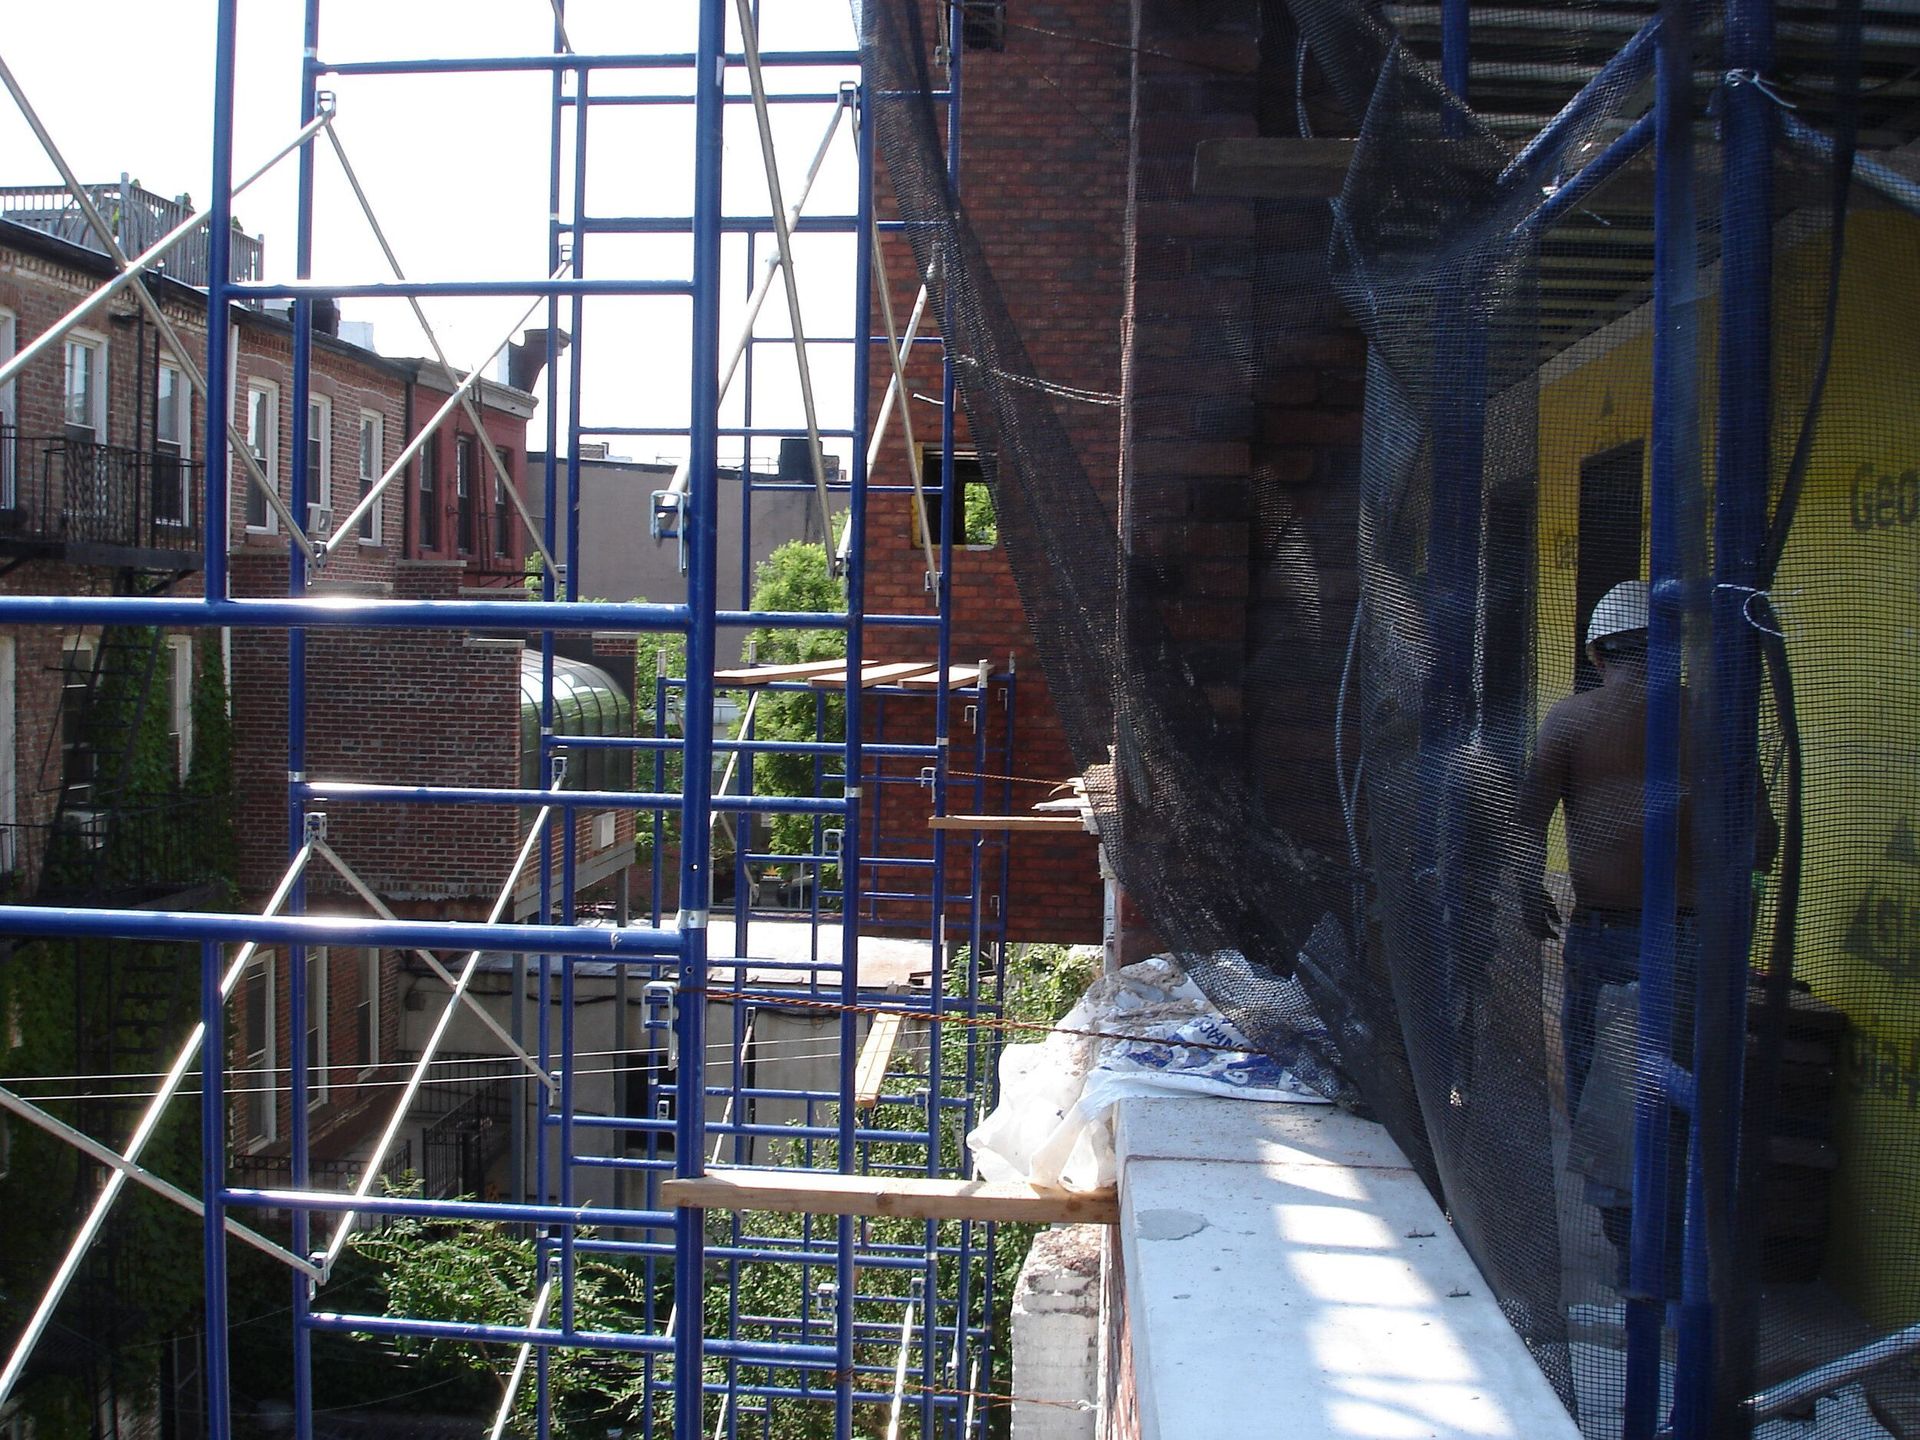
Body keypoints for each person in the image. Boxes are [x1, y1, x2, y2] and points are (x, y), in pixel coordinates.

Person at [1517, 578, 1776, 1286]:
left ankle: (1635, 1250)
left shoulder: (1571, 722)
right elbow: (1762, 845)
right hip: (1697, 943)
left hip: (1606, 935)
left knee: (1605, 1093)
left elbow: (1524, 825)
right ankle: (1670, 1252)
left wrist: (1523, 891)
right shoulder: (1716, 721)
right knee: (1679, 1093)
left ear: (1599, 652)